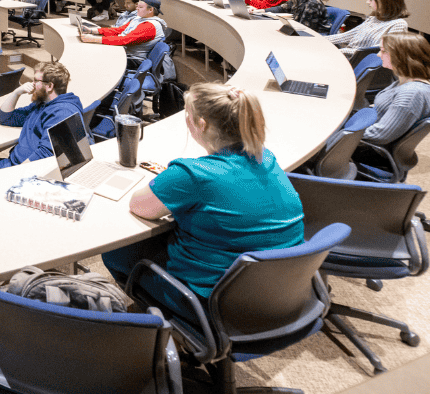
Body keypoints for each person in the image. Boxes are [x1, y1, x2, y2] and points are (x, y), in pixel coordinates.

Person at [101, 84, 304, 305]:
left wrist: (171, 181)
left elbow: (139, 206)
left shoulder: (192, 175)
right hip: (283, 291)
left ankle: (164, 323)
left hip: (218, 302)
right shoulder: (265, 157)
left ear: (201, 124)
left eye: (188, 115)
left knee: (116, 251)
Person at [0, 63, 83, 174]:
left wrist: (15, 175)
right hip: (13, 163)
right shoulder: (41, 104)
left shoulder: (63, 112)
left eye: (35, 81)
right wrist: (16, 92)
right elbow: (5, 117)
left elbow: (46, 155)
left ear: (49, 86)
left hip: (19, 169)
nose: (31, 84)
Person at [360, 32, 430, 146]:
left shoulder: (411, 94)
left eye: (383, 51)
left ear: (401, 56)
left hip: (369, 148)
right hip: (364, 132)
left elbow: (379, 136)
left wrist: (338, 134)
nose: (378, 55)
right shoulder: (405, 80)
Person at [79, 0, 167, 61]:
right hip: (123, 51)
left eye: (140, 7)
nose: (137, 9)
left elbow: (124, 40)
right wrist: (92, 30)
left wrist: (94, 39)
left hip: (132, 59)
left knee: (92, 55)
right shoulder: (139, 18)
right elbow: (119, 30)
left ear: (150, 10)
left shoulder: (150, 26)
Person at [326, 0, 409, 53]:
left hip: (359, 60)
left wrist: (340, 52)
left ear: (385, 1)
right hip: (349, 54)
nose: (367, 2)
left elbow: (378, 50)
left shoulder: (399, 24)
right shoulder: (373, 19)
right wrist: (321, 39)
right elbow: (348, 35)